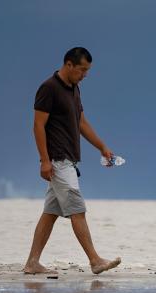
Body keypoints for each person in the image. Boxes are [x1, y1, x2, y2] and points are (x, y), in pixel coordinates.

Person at [23, 47, 121, 275]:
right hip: (58, 161)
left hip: (68, 161)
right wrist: (44, 161)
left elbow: (82, 123)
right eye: (82, 70)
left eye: (87, 71)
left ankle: (32, 262)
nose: (85, 75)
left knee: (50, 213)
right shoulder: (49, 88)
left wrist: (102, 147)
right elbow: (38, 125)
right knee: (78, 210)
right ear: (69, 65)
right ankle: (95, 260)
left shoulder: (74, 89)